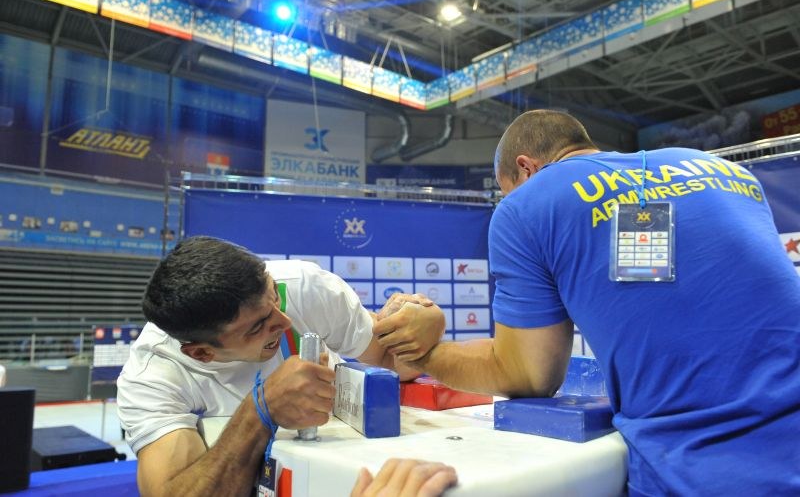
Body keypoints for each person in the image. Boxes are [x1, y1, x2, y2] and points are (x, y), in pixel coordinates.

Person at [376, 109, 800, 495]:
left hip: (702, 470)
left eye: (508, 192)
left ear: (525, 169)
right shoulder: (723, 170)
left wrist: (423, 353)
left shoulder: (526, 205)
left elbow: (527, 376)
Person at [117, 236, 445, 497]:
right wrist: (261, 408)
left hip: (348, 473)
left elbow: (391, 360)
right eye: (258, 326)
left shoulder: (304, 287)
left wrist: (425, 326)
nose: (284, 320)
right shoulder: (153, 375)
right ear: (202, 353)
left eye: (274, 297)